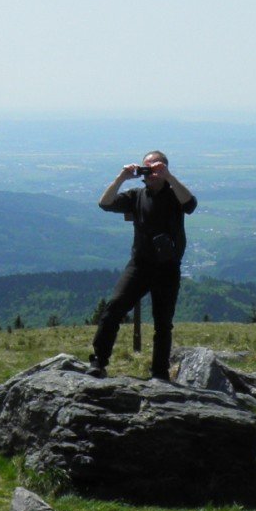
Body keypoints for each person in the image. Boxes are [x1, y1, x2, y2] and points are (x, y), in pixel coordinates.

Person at [88, 149, 197, 381]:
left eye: (156, 168)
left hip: (167, 267)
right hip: (140, 265)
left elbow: (191, 205)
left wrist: (168, 177)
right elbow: (104, 203)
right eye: (147, 168)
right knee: (113, 309)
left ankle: (159, 373)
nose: (150, 172)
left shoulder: (174, 195)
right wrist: (121, 178)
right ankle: (99, 361)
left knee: (163, 323)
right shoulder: (136, 196)